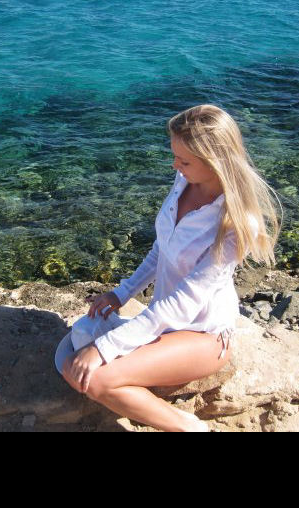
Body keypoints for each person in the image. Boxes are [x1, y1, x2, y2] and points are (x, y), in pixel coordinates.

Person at [59, 104, 282, 432]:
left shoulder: (234, 223)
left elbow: (183, 304)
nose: (175, 165)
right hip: (164, 324)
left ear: (215, 161)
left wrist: (104, 349)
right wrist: (122, 293)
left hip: (202, 334)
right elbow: (162, 248)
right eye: (175, 156)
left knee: (94, 377)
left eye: (184, 161)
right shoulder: (183, 181)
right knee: (68, 361)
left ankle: (188, 427)